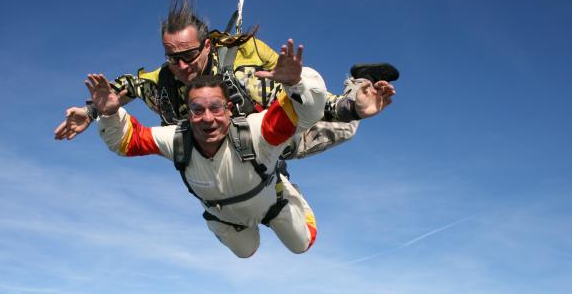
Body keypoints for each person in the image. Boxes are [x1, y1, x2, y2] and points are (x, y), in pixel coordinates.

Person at [88, 40, 393, 257]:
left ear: (230, 109)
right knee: (245, 251)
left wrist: (309, 87)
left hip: (275, 147)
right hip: (231, 203)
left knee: (345, 130)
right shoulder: (177, 133)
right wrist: (102, 112)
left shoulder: (255, 114)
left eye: (215, 108)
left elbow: (304, 111)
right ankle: (236, 213)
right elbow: (126, 135)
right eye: (197, 110)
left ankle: (356, 83)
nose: (207, 119)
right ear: (187, 113)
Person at [54, 0, 398, 160]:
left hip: (273, 134)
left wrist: (353, 107)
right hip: (226, 158)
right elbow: (125, 87)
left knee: (347, 129)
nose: (182, 67)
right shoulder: (165, 80)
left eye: (188, 56)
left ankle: (359, 80)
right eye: (172, 58)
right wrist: (92, 111)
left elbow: (311, 103)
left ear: (206, 47)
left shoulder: (245, 74)